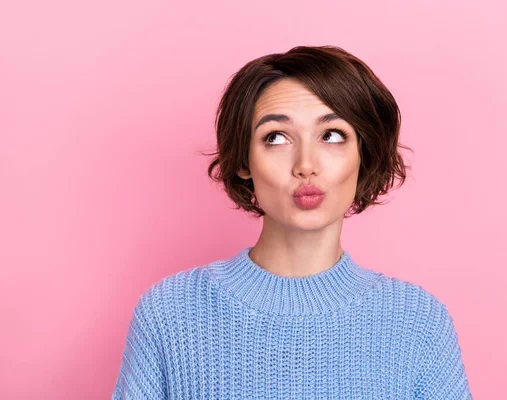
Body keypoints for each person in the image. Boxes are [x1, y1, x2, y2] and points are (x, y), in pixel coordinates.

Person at [111, 45, 473, 399]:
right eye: (276, 137)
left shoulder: (417, 322)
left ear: (364, 154)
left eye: (332, 135)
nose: (306, 164)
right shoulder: (169, 314)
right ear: (243, 160)